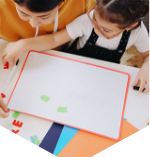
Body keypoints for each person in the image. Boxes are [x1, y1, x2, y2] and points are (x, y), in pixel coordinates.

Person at [2, 0, 150, 93]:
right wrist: (24, 43)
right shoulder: (87, 21)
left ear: (130, 26)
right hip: (71, 65)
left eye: (106, 30)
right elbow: (54, 39)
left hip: (104, 75)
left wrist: (146, 68)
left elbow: (147, 55)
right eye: (94, 19)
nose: (96, 28)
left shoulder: (138, 33)